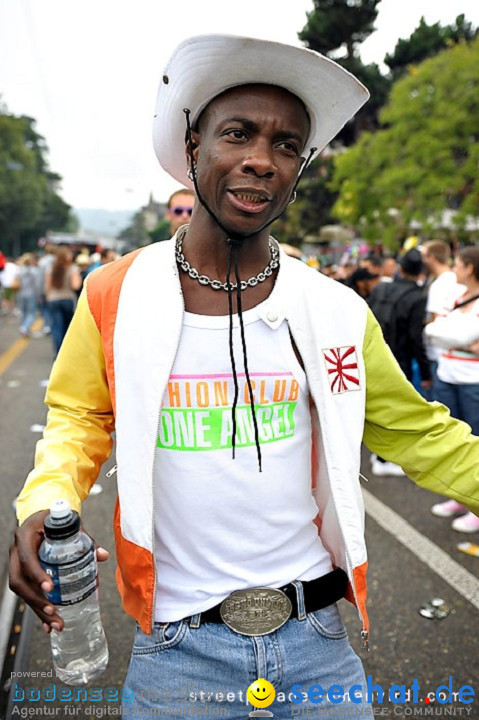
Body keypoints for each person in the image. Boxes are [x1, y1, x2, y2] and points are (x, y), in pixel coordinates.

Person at [8, 34, 479, 719]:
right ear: (193, 147)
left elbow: (423, 435)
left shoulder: (335, 311)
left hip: (317, 648)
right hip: (176, 656)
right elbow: (78, 419)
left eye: (287, 146)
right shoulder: (114, 292)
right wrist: (42, 501)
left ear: (299, 169)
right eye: (238, 134)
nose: (261, 159)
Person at [426, 246, 479, 533]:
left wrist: (453, 339)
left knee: (477, 443)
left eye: (458, 264)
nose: (453, 269)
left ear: (470, 267)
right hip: (448, 376)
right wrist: (462, 342)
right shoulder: (458, 299)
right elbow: (434, 332)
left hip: (474, 382)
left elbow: (445, 335)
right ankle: (460, 496)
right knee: (455, 440)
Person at [422, 240, 459, 398]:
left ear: (431, 258)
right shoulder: (455, 279)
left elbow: (436, 321)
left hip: (437, 355)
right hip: (448, 355)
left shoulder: (439, 284)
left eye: (424, 256)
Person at [44, 246, 82, 355]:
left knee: (56, 327)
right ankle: (65, 354)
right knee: (67, 328)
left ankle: (57, 353)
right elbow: (76, 286)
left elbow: (47, 285)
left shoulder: (50, 268)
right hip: (67, 300)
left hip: (53, 299)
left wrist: (48, 298)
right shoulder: (72, 268)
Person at [17, 253, 40, 337]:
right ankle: (25, 327)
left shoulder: (20, 270)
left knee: (24, 312)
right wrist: (38, 295)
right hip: (31, 294)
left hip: (21, 294)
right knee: (31, 313)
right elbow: (36, 285)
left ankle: (25, 329)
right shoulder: (34, 270)